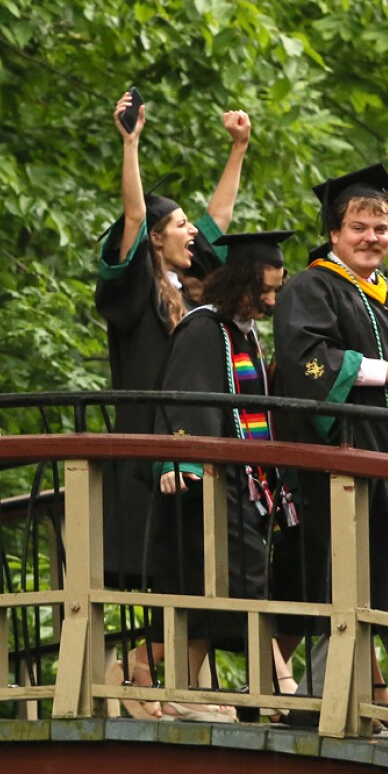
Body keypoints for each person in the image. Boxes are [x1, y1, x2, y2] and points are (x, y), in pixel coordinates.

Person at [271, 165, 388, 714]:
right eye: (359, 227)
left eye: (381, 229)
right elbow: (306, 364)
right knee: (341, 583)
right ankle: (322, 699)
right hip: (340, 466)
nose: (372, 238)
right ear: (334, 233)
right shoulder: (310, 288)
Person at [95, 90, 252, 692]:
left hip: (185, 445)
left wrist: (238, 151)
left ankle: (177, 686)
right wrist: (130, 144)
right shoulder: (136, 294)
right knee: (170, 570)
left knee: (194, 569)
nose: (193, 230)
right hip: (147, 451)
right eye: (180, 224)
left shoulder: (192, 296)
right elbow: (134, 217)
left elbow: (219, 223)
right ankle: (144, 675)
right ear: (156, 239)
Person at [148, 230, 299, 720]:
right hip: (206, 483)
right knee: (236, 583)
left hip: (244, 481)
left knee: (219, 590)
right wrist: (180, 458)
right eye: (266, 290)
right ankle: (281, 691)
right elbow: (183, 396)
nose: (272, 299)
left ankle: (183, 692)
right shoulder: (203, 329)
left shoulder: (244, 332)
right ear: (240, 282)